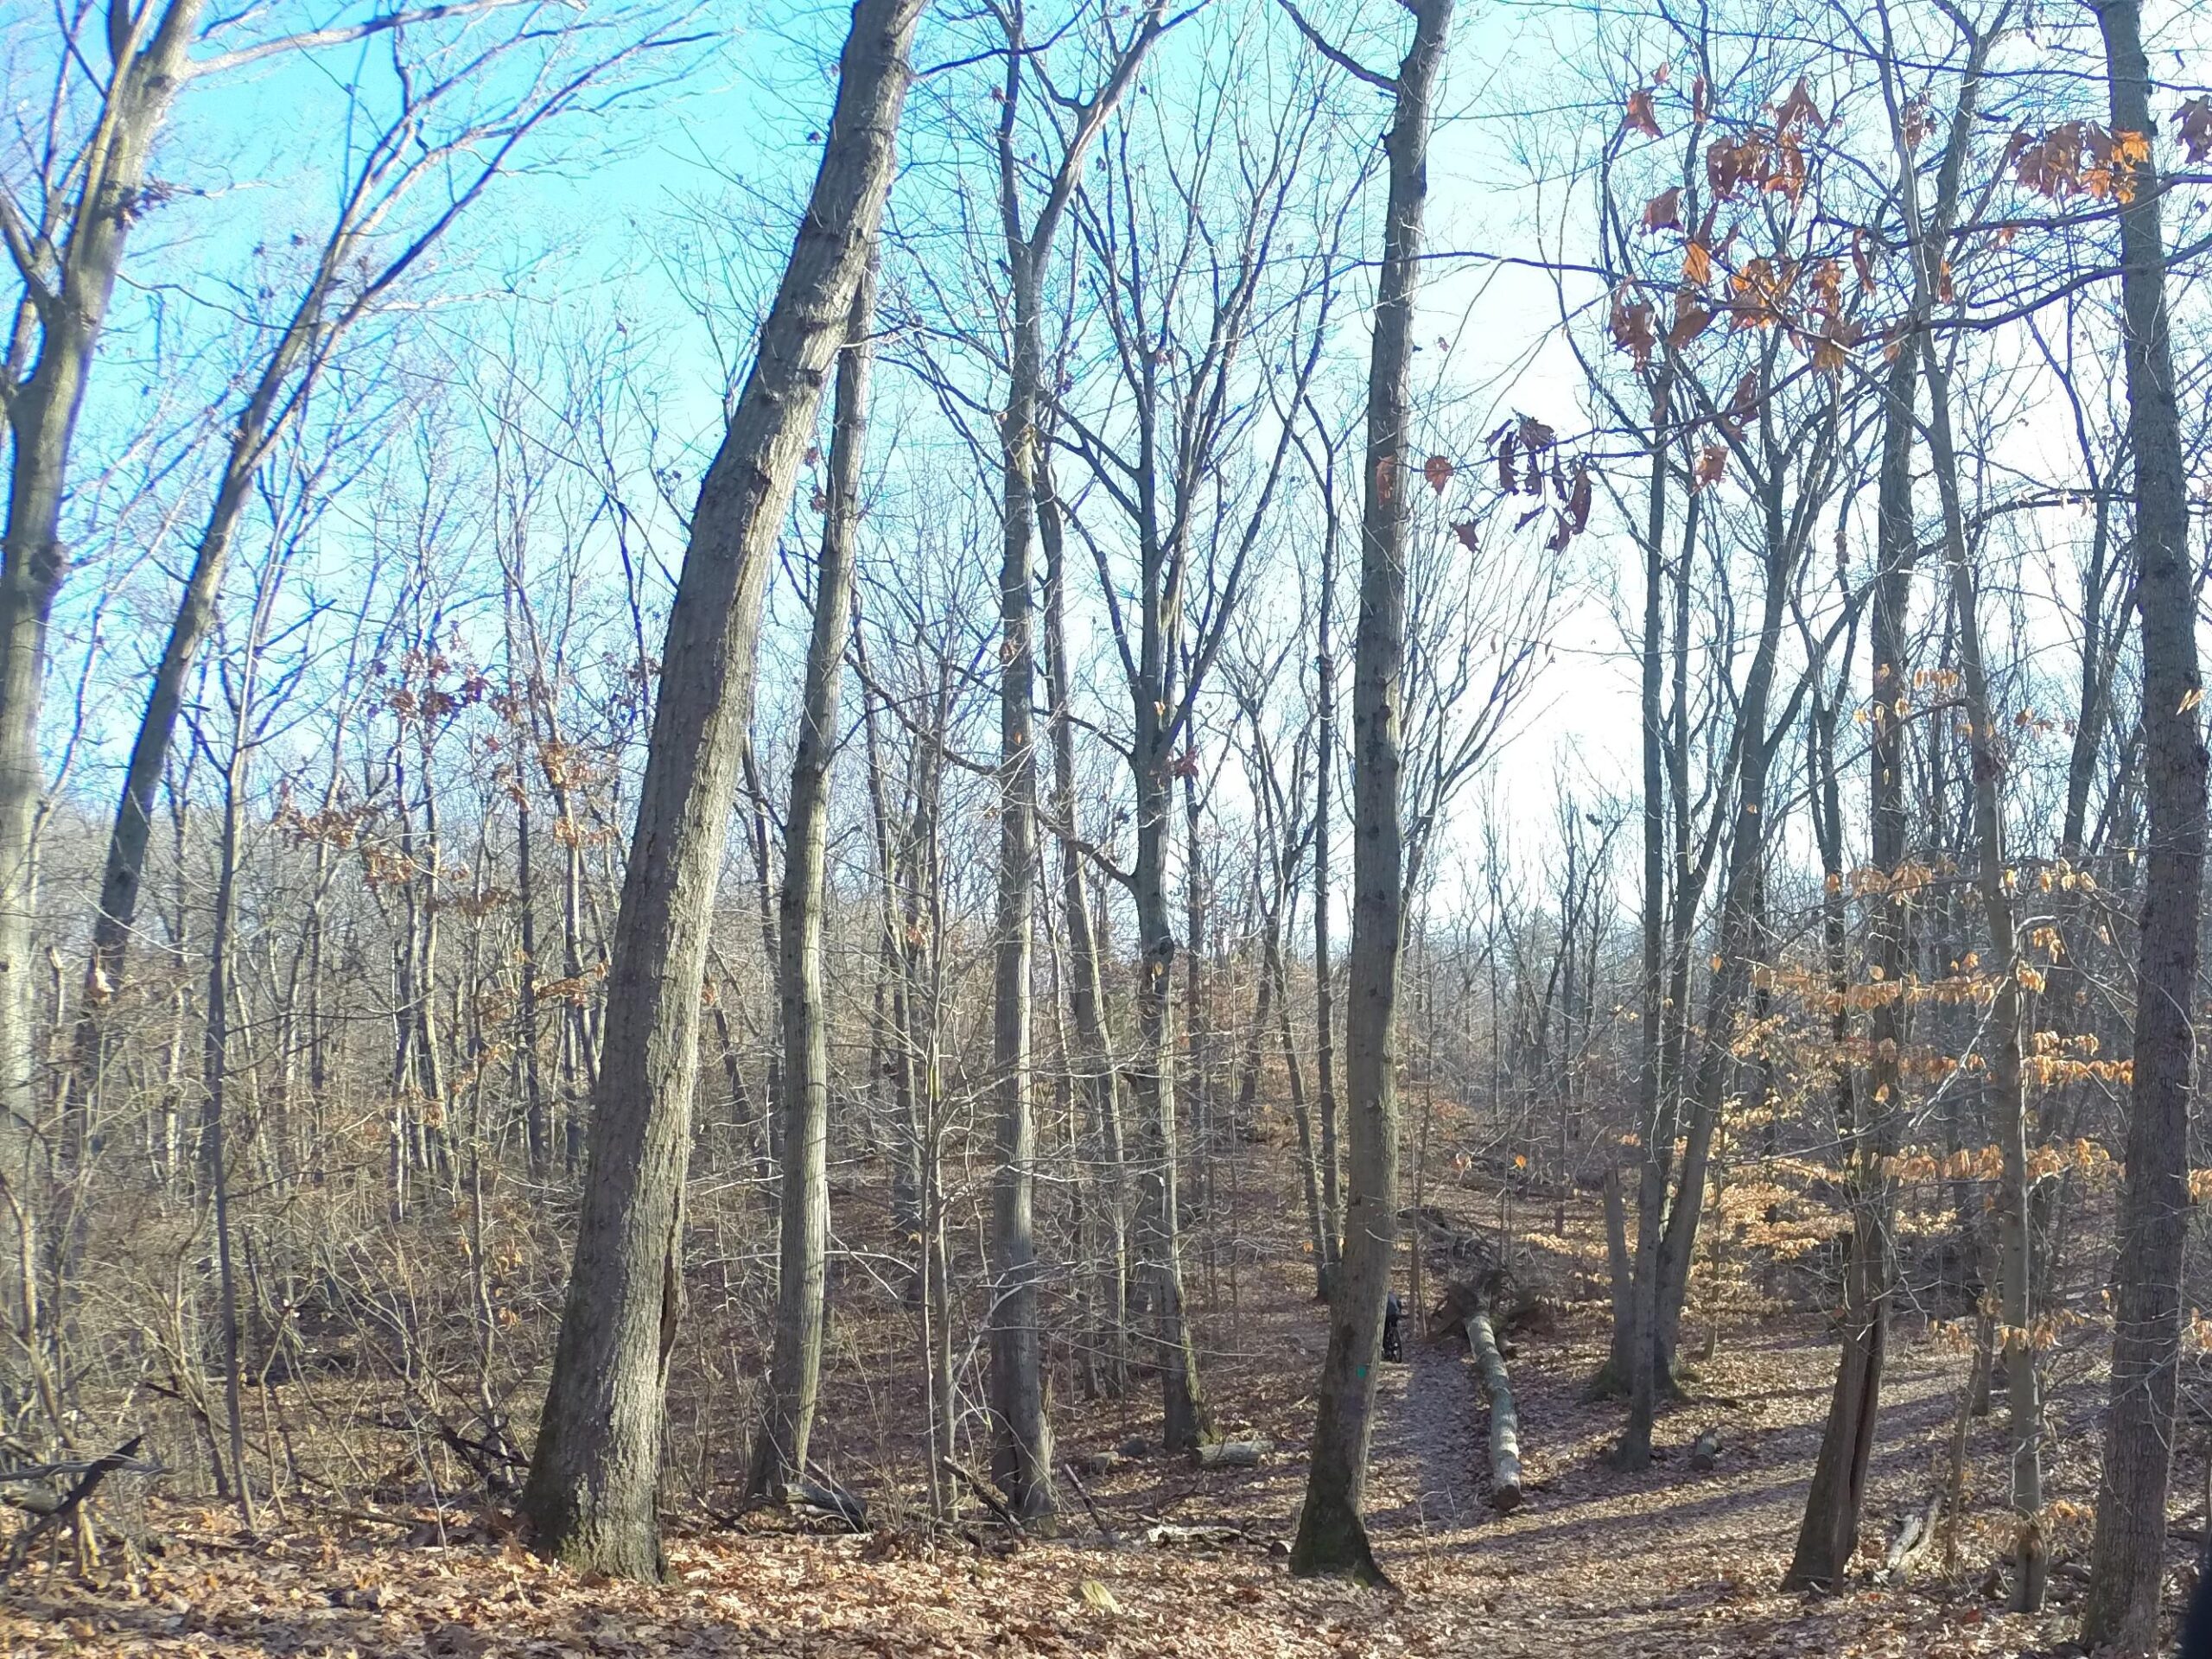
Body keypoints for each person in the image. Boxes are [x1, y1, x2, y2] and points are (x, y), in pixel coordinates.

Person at [1382, 1290, 1404, 1363]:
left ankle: (1387, 1351)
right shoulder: (1392, 1295)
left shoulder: (1382, 1296)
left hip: (1387, 1315)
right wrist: (1399, 1312)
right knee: (1394, 1325)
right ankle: (1396, 1335)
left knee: (1385, 1332)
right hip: (1396, 1313)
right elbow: (1399, 1304)